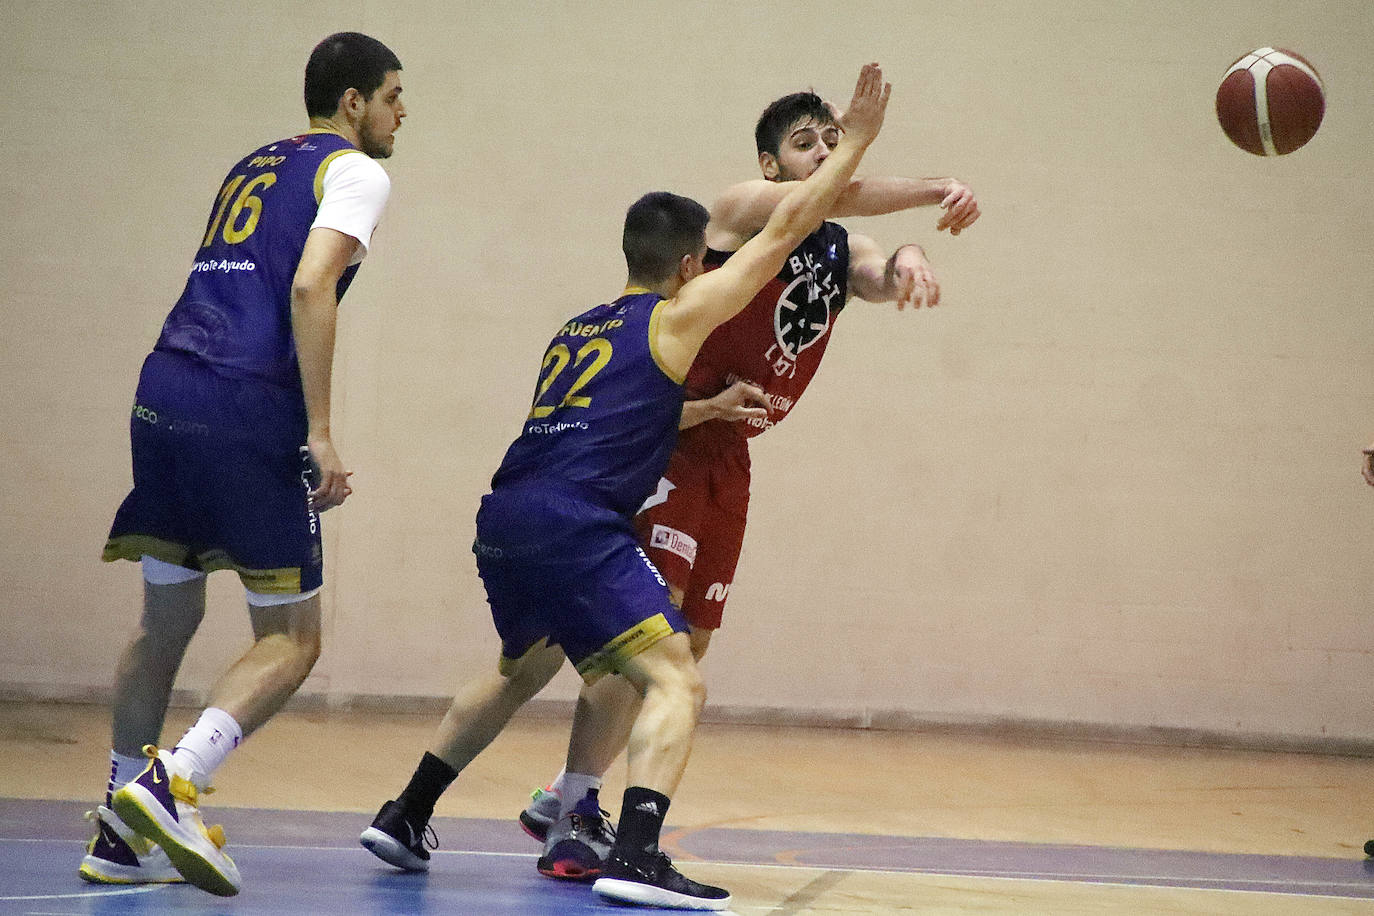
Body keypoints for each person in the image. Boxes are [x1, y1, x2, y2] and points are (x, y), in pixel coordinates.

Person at [359, 63, 892, 912]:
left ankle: (407, 809)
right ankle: (635, 850)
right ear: (690, 262)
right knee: (674, 676)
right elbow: (787, 227)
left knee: (520, 668)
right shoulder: (678, 315)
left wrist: (706, 406)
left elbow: (605, 420)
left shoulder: (579, 329)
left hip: (506, 515)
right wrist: (855, 140)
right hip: (577, 524)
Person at [514, 86, 982, 872]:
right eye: (807, 141)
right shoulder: (733, 211)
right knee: (646, 644)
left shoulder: (835, 244)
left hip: (732, 457)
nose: (827, 150)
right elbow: (844, 191)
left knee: (688, 646)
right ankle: (579, 814)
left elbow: (872, 265)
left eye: (834, 136)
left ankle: (560, 793)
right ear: (770, 163)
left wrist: (910, 257)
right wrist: (935, 189)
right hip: (675, 439)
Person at [83, 32, 406, 897]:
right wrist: (323, 432)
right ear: (352, 103)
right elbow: (310, 288)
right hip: (244, 404)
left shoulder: (255, 162)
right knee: (294, 640)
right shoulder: (358, 172)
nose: (401, 113)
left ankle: (118, 827)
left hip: (165, 389)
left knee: (165, 622)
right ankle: (173, 780)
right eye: (391, 96)